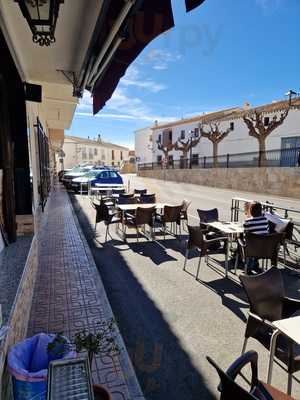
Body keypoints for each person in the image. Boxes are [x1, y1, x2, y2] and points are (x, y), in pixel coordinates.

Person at [243, 202, 269, 273]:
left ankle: (247, 267)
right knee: (256, 242)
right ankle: (255, 265)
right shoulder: (265, 220)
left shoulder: (248, 222)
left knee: (241, 241)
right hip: (263, 248)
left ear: (251, 210)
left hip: (252, 249)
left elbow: (245, 234)